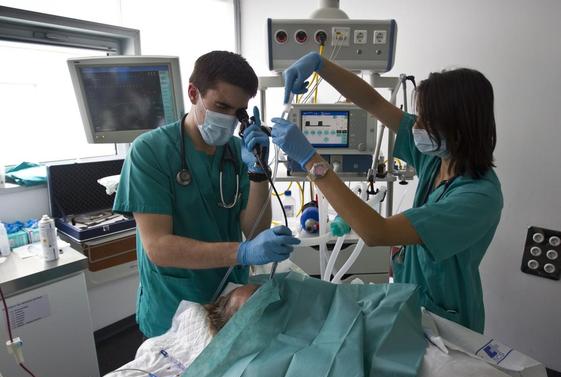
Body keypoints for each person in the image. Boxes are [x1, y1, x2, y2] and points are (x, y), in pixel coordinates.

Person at [271, 52, 503, 333]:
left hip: (448, 318)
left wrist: (311, 161)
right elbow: (373, 103)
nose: (415, 126)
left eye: (426, 120)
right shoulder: (439, 159)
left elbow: (375, 232)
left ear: (458, 129)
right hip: (411, 296)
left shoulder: (478, 198)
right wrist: (321, 65)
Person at [113, 51, 299, 338]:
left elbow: (254, 230)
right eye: (221, 106)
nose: (228, 119)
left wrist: (259, 172)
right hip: (173, 307)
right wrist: (243, 252)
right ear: (193, 93)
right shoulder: (149, 152)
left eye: (237, 112)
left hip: (231, 300)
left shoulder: (239, 152)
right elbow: (159, 248)